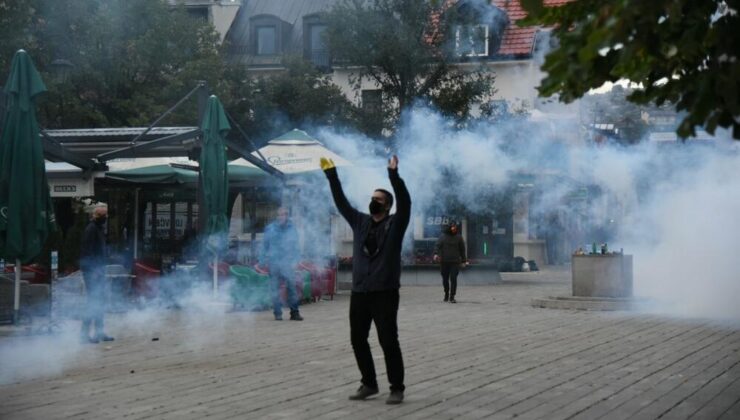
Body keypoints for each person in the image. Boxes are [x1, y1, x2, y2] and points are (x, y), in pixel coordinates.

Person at [320, 154, 411, 405]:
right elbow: (341, 203)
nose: (373, 202)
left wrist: (394, 176)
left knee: (387, 339)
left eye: (378, 200)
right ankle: (369, 383)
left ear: (387, 205)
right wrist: (332, 175)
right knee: (357, 339)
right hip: (360, 292)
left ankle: (396, 387)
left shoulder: (396, 223)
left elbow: (405, 201)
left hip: (384, 292)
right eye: (372, 198)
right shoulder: (360, 221)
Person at [259, 207, 303, 321]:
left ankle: (294, 313)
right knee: (275, 289)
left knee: (292, 289)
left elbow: (296, 247)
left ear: (287, 216)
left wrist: (296, 260)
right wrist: (262, 261)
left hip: (287, 263)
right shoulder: (270, 229)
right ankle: (277, 313)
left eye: (283, 215)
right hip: (274, 263)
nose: (281, 217)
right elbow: (264, 246)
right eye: (279, 215)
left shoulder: (292, 229)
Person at [79, 205, 114, 344]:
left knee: (99, 301)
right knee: (92, 302)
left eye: (106, 215)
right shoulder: (91, 229)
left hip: (98, 270)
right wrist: (92, 270)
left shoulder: (99, 228)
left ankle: (99, 332)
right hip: (92, 272)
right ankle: (84, 335)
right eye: (103, 215)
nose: (105, 218)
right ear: (96, 216)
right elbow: (86, 252)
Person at [433, 222, 467, 303]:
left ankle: (452, 296)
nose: (454, 229)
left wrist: (464, 261)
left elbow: (462, 250)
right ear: (449, 228)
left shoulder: (459, 237)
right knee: (445, 279)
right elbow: (437, 246)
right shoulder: (442, 237)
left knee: (453, 279)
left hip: (455, 262)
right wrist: (435, 254)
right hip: (444, 262)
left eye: (455, 227)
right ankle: (446, 293)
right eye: (453, 227)